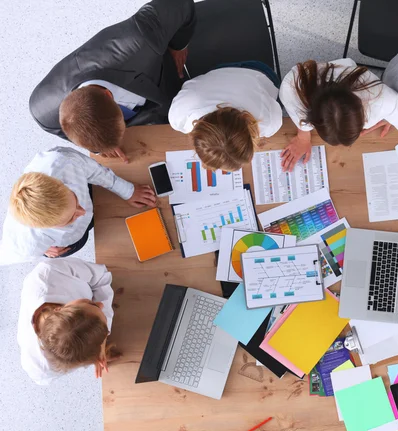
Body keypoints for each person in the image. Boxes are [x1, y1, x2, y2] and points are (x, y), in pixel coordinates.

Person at [29, 0, 196, 162]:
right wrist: (99, 145)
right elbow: (65, 129)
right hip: (150, 116)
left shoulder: (141, 39)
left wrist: (178, 46)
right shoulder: (43, 112)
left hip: (161, 76)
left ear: (108, 95)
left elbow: (181, 3)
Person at [278, 58, 398, 199]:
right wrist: (303, 137)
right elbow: (301, 120)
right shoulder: (291, 89)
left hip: (345, 72)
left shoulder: (380, 97)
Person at [1, 147, 156, 263]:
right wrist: (42, 251)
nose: (83, 212)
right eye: (70, 218)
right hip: (69, 240)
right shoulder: (26, 244)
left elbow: (96, 172)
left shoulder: (62, 160)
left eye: (75, 200)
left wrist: (127, 190)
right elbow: (9, 255)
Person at [18, 258, 118, 385]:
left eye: (91, 303)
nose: (101, 304)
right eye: (92, 303)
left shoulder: (51, 270)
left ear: (59, 309)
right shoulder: (39, 367)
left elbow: (102, 276)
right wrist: (96, 343)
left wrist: (101, 340)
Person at [169, 61, 282, 171]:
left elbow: (276, 111)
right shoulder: (181, 112)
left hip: (258, 72)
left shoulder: (266, 121)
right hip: (220, 73)